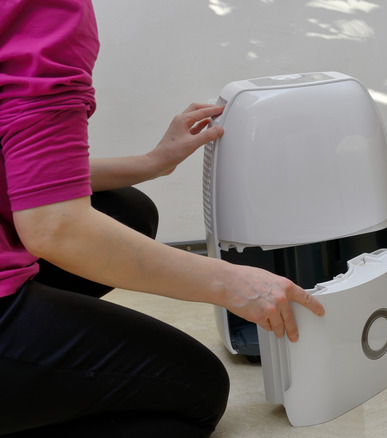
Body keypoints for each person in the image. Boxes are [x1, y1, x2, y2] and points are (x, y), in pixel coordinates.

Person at [0, 1, 325, 436]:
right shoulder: (42, 11)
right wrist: (231, 283)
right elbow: (56, 228)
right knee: (195, 393)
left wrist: (151, 163)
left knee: (127, 211)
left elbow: (28, 174)